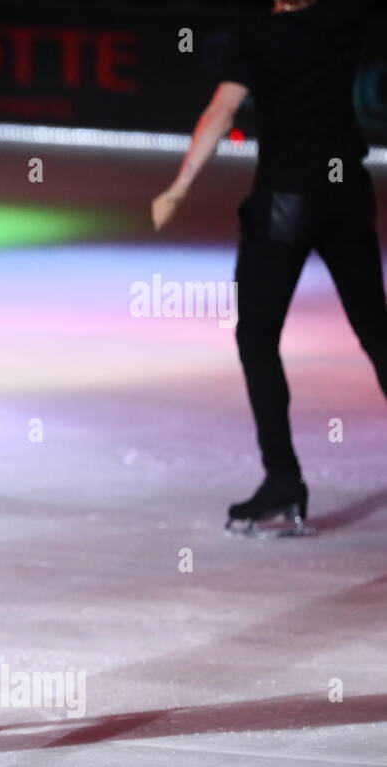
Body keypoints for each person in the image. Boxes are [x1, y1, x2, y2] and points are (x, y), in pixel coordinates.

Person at [152, 0, 387, 535]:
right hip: (346, 190)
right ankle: (281, 481)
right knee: (376, 329)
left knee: (257, 338)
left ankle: (282, 479)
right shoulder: (344, 18)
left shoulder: (260, 32)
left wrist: (180, 186)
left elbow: (221, 112)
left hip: (287, 202)